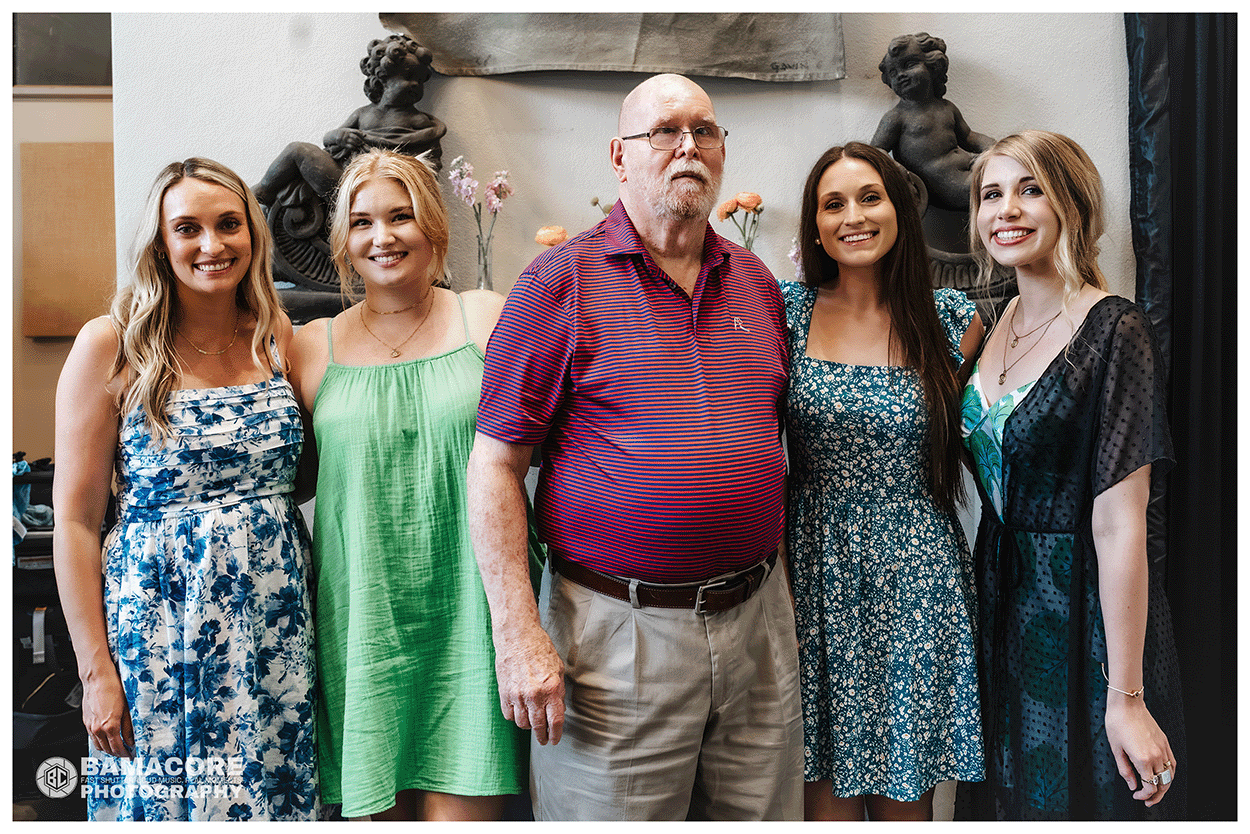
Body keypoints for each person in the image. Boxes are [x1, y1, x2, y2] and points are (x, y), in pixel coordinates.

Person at [466, 73, 802, 821]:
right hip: (616, 641)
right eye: (666, 131)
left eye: (706, 130)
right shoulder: (559, 283)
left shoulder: (755, 284)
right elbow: (495, 466)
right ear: (620, 156)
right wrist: (516, 631)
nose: (689, 146)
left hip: (758, 627)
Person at [53, 158, 318, 820]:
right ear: (160, 242)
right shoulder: (111, 346)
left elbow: (305, 479)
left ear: (254, 236)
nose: (212, 245)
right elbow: (76, 523)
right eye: (188, 228)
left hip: (273, 636)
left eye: (229, 225)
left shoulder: (277, 336)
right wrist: (95, 673)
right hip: (158, 639)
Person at [286, 147, 541, 821]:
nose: (383, 236)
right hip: (364, 629)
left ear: (433, 226)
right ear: (343, 241)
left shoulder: (485, 317)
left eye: (401, 216)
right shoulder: (311, 347)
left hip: (471, 622)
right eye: (364, 222)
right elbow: (289, 481)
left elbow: (552, 448)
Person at [957, 130, 1185, 819]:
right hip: (999, 600)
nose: (1008, 210)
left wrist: (1128, 697)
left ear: (1070, 203)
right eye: (991, 194)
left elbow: (1121, 526)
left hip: (1084, 609)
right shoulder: (991, 324)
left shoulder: (1114, 328)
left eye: (1030, 190)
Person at [784, 142, 985, 821]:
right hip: (814, 572)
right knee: (826, 802)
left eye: (870, 197)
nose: (854, 216)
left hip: (918, 578)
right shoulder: (788, 313)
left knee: (907, 805)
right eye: (833, 203)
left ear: (900, 209)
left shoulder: (956, 319)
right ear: (814, 227)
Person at [252, 34, 447, 210]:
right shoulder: (363, 115)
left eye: (420, 80)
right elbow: (330, 140)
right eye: (407, 77)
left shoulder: (420, 123)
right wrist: (341, 136)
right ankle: (262, 192)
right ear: (382, 79)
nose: (415, 85)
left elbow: (428, 170)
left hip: (382, 192)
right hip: (344, 182)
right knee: (297, 150)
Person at [870, 33, 994, 212]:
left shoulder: (947, 108)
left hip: (972, 167)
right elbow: (875, 152)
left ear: (933, 66)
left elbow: (968, 136)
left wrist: (994, 147)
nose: (901, 75)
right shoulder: (896, 117)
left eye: (909, 65)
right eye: (893, 73)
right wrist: (897, 170)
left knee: (1016, 169)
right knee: (1006, 182)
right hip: (947, 186)